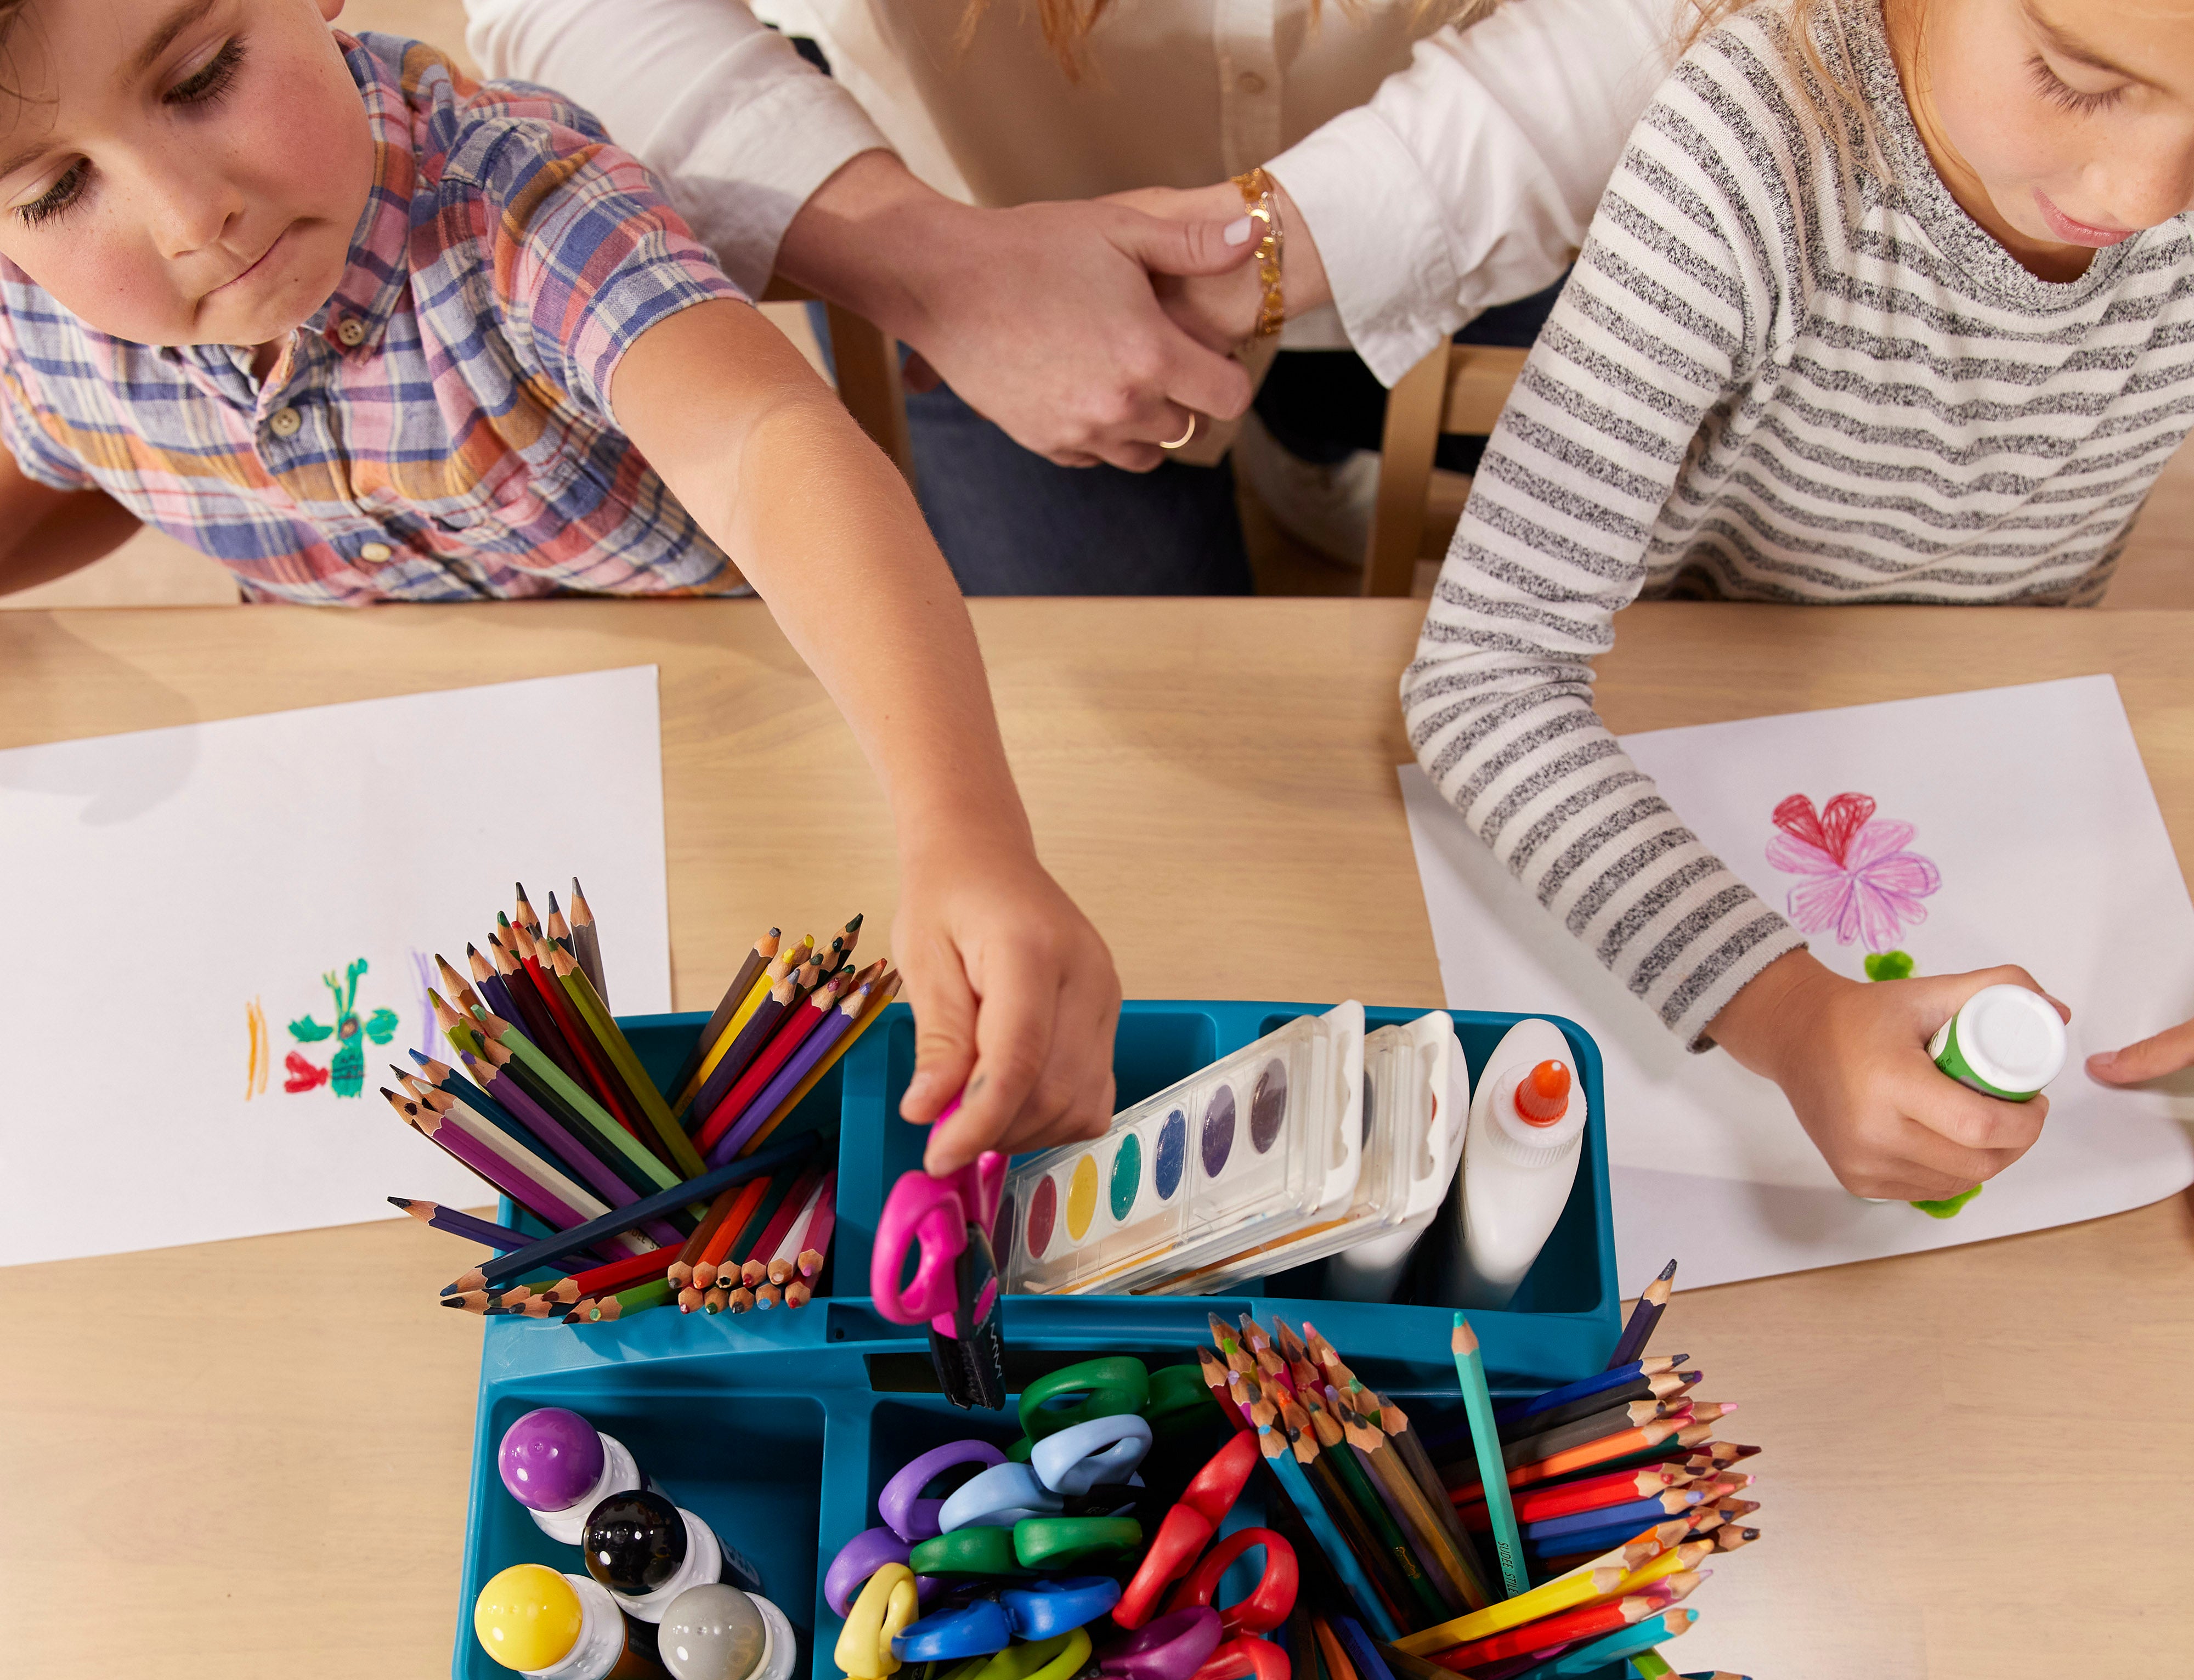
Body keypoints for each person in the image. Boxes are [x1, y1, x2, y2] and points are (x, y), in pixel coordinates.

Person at [0, 0, 1118, 1175]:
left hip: (732, 780)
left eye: (202, 76)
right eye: (53, 190)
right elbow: (75, 458)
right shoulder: (40, 316)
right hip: (383, 836)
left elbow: (762, 449)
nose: (190, 220)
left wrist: (962, 831)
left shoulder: (518, 206)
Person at [1399, 0, 2194, 1206]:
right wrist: (1781, 1008)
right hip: (1693, 705)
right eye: (2073, 79)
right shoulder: (1749, 149)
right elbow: (1481, 678)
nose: (2144, 199)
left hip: (2000, 720)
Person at [466, 0, 1685, 590]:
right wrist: (930, 265)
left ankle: (1306, 443)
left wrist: (1292, 241)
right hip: (990, 252)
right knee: (1119, 731)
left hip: (1476, 173)